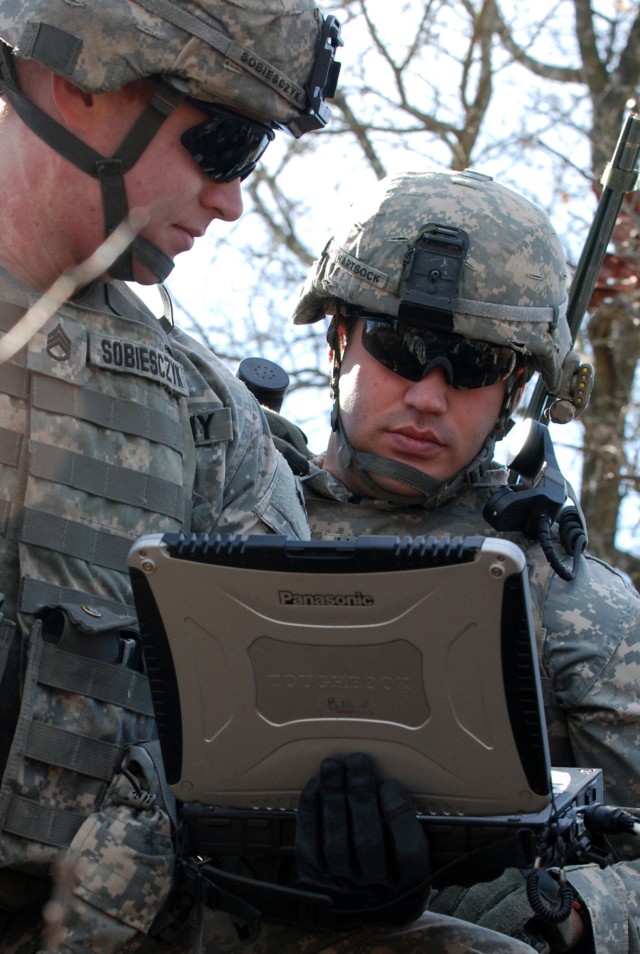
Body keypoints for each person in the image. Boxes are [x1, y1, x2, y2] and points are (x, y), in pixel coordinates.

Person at [0, 1, 345, 949]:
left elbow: (279, 724)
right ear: (86, 72)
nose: (233, 199)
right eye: (224, 144)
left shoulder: (210, 424)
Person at [272, 168, 640, 954]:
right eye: (403, 348)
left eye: (472, 367)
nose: (429, 396)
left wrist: (558, 910)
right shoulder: (232, 516)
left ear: (514, 390)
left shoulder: (570, 601)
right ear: (340, 334)